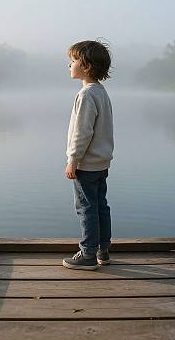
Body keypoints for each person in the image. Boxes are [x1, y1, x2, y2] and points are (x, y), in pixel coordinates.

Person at [62, 39, 114, 270]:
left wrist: (72, 160)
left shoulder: (85, 95)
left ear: (86, 66)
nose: (69, 65)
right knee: (100, 205)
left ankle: (88, 254)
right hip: (102, 162)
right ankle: (103, 249)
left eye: (72, 61)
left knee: (85, 207)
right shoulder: (101, 93)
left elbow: (82, 133)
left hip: (87, 163)